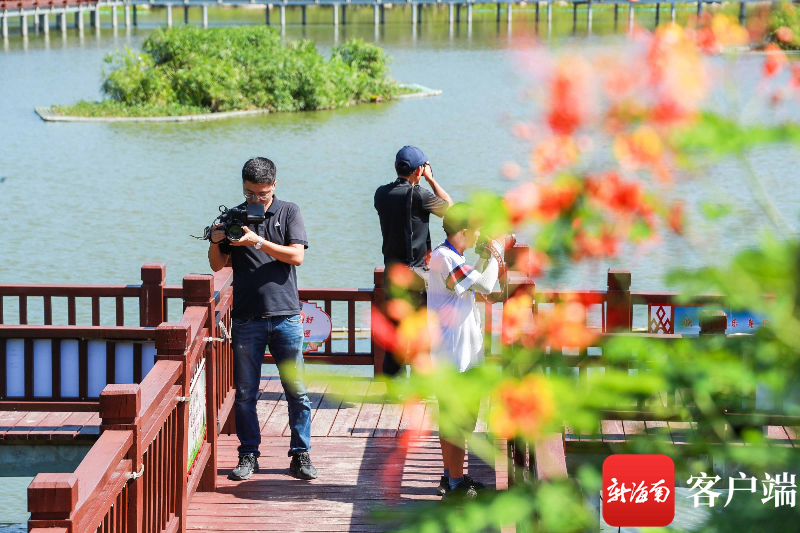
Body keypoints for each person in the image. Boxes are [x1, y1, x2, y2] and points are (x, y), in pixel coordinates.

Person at [208, 157, 317, 481]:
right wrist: (216, 241)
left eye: (262, 193)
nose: (256, 199)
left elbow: (297, 255)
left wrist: (257, 241)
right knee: (245, 393)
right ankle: (248, 455)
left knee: (297, 391)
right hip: (246, 319)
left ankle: (301, 454)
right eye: (249, 193)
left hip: (286, 316)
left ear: (274, 186)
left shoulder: (289, 212)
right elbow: (216, 265)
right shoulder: (233, 217)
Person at [426, 203, 503, 499]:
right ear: (464, 231)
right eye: (477, 230)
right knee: (458, 421)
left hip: (457, 354)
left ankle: (451, 477)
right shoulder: (444, 258)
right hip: (453, 357)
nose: (480, 234)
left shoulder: (451, 256)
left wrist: (483, 257)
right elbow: (486, 285)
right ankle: (456, 484)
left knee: (457, 420)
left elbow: (472, 280)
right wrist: (497, 252)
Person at [374, 145, 453, 377]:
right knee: (421, 335)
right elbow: (450, 208)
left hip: (392, 275)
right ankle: (420, 386)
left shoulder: (381, 194)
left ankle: (394, 386)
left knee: (395, 334)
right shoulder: (419, 195)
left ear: (396, 166)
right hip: (417, 276)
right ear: (419, 170)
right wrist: (431, 179)